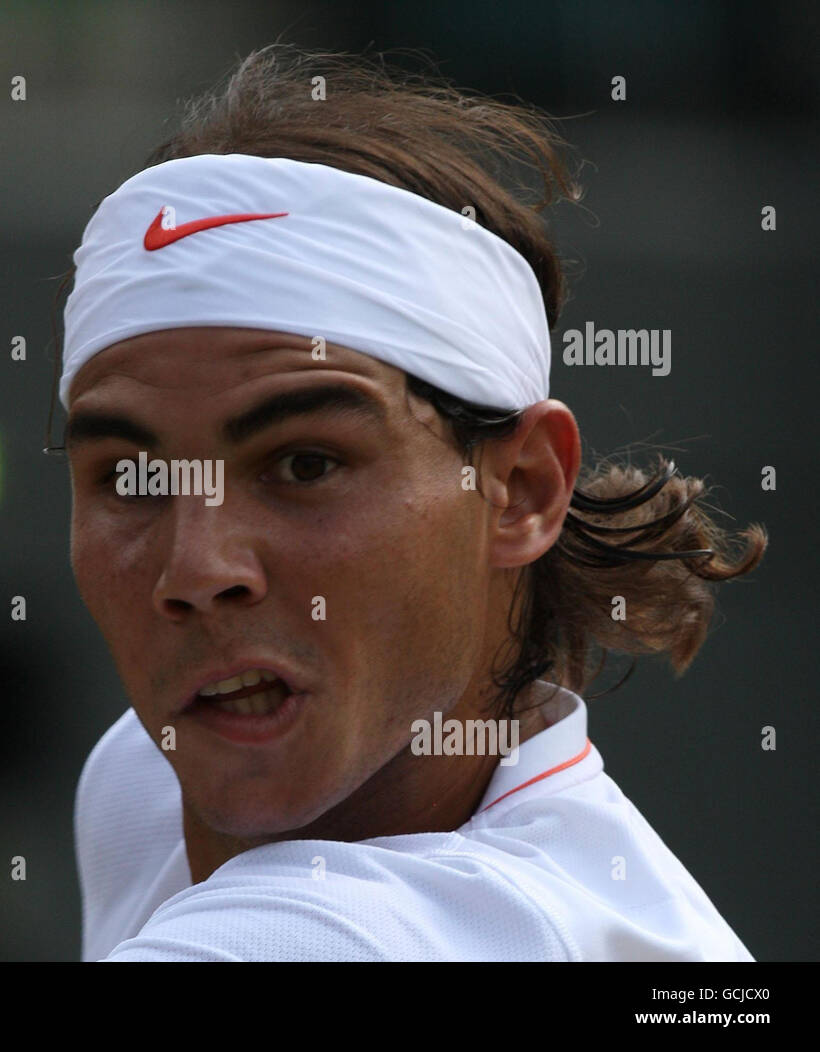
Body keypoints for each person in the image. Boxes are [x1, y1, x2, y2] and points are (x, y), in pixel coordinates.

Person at [55, 45, 765, 961]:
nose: (196, 570)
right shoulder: (146, 779)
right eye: (131, 478)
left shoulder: (337, 938)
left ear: (521, 490)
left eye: (306, 464)